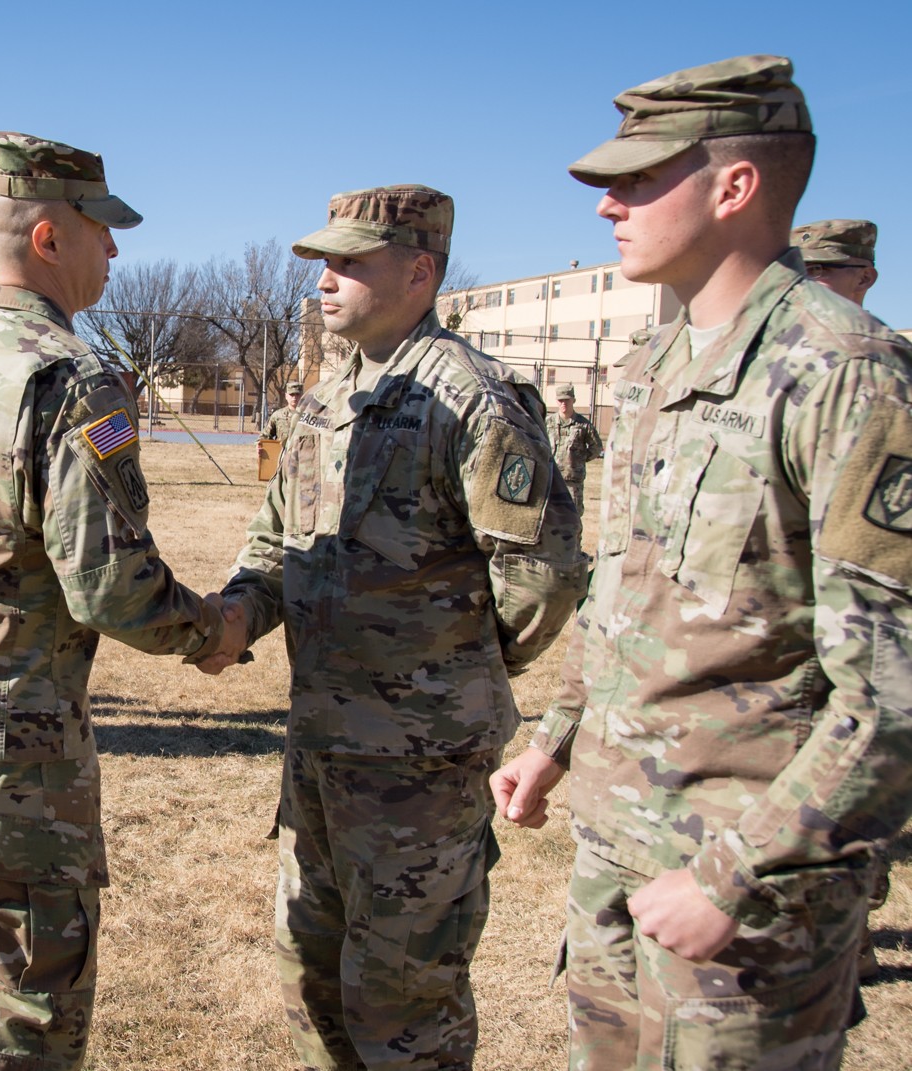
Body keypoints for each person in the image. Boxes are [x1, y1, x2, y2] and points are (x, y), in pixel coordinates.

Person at [491, 55, 912, 1070]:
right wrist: (557, 737)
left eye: (639, 179)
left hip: (750, 893)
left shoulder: (844, 375)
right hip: (619, 847)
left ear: (734, 188)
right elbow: (625, 595)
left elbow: (894, 693)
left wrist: (733, 873)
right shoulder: (653, 369)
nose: (607, 206)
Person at [0, 131, 246, 1071]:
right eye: (104, 229)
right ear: (52, 237)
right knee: (26, 1008)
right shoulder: (70, 378)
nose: (117, 250)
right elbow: (112, 586)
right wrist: (212, 630)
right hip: (6, 746)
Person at [201, 185, 586, 1071]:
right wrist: (235, 614)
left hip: (418, 768)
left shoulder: (475, 398)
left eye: (349, 262)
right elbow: (276, 541)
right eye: (323, 264)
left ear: (419, 271)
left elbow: (542, 573)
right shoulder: (329, 397)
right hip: (322, 747)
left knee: (404, 1004)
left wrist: (452, 674)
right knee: (314, 978)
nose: (326, 281)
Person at [793, 216, 889, 983]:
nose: (816, 282)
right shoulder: (791, 364)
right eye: (806, 268)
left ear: (867, 277)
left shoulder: (878, 369)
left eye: (832, 270)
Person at [545, 382, 604, 524]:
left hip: (573, 481)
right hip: (552, 477)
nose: (563, 404)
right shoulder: (548, 423)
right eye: (561, 400)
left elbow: (597, 447)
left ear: (573, 400)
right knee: (549, 517)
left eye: (567, 400)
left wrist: (580, 459)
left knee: (573, 518)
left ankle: (575, 547)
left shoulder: (583, 425)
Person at [793, 218, 878, 307]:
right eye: (793, 271)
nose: (796, 282)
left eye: (815, 269)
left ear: (864, 279)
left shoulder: (866, 321)